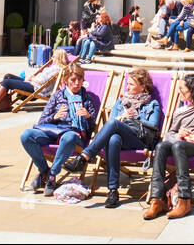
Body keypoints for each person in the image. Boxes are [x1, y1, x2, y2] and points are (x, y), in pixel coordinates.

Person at [63, 67, 162, 208]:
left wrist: (135, 118)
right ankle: (113, 191)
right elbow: (111, 122)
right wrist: (122, 117)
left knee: (114, 125)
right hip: (121, 139)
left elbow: (153, 125)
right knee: (113, 138)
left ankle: (84, 157)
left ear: (143, 86)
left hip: (140, 140)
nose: (127, 87)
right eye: (127, 83)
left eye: (132, 84)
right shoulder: (120, 102)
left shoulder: (152, 104)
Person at [144, 74, 194, 221]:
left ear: (192, 91)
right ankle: (156, 200)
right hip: (180, 144)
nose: (178, 92)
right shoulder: (180, 112)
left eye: (181, 89)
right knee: (161, 146)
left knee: (178, 146)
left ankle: (184, 200)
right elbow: (170, 134)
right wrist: (179, 135)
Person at [18, 62, 100, 196]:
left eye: (80, 80)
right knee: (26, 135)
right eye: (73, 80)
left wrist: (88, 116)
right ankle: (44, 170)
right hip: (53, 132)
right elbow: (42, 121)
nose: (77, 83)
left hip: (74, 136)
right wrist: (55, 117)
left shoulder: (87, 99)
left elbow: (92, 128)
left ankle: (52, 174)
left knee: (70, 136)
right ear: (65, 80)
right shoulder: (57, 96)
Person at [0, 49, 69, 113]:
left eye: (54, 56)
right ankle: (3, 103)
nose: (52, 58)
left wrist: (31, 78)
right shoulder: (54, 67)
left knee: (7, 82)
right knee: (8, 76)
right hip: (32, 84)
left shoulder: (56, 69)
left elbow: (42, 81)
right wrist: (31, 78)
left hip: (35, 88)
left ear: (58, 58)